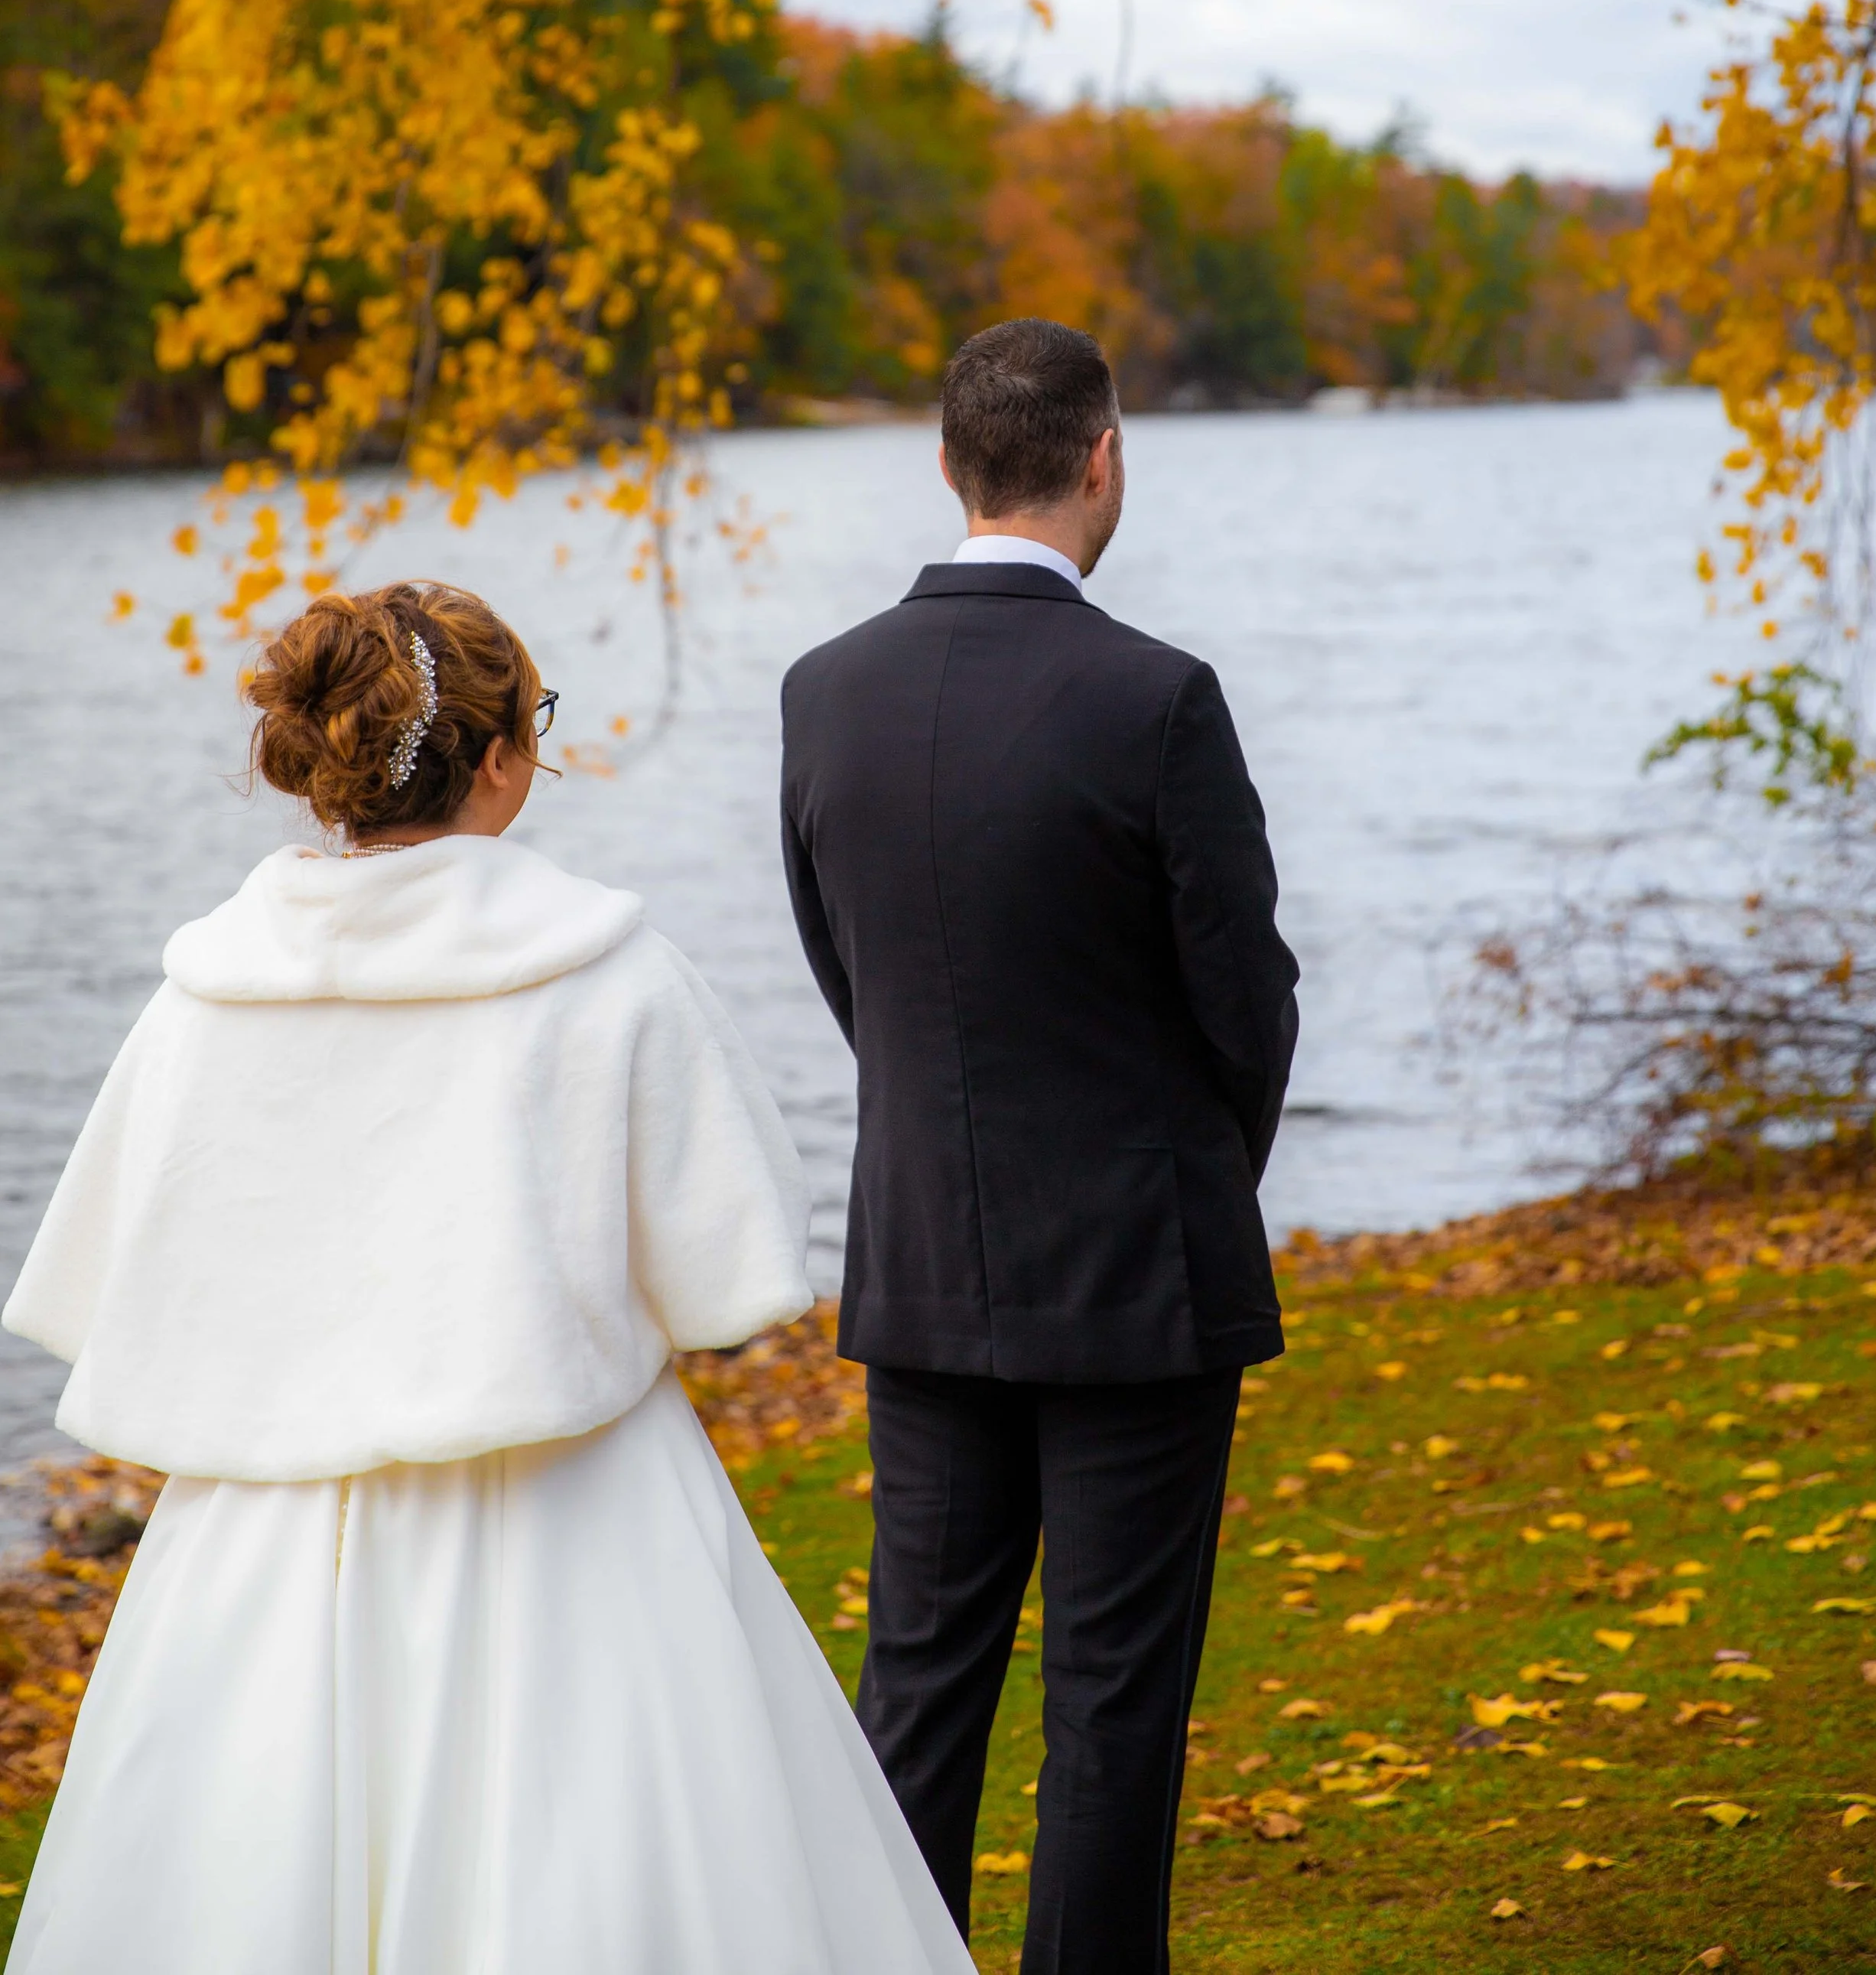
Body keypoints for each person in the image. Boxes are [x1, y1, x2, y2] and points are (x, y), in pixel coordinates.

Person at [4, 579, 973, 1975]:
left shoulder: (208, 992)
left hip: (262, 1548)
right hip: (574, 1523)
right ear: (503, 754)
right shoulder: (606, 967)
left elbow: (105, 1279)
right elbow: (731, 1279)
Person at [780, 318, 1301, 1975]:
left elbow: (846, 968)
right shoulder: (1157, 699)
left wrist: (953, 1147)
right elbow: (1245, 1002)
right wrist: (1192, 1175)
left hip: (928, 1263)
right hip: (1138, 1281)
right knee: (1113, 1699)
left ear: (946, 468)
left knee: (918, 1689)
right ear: (1101, 459)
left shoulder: (823, 691)